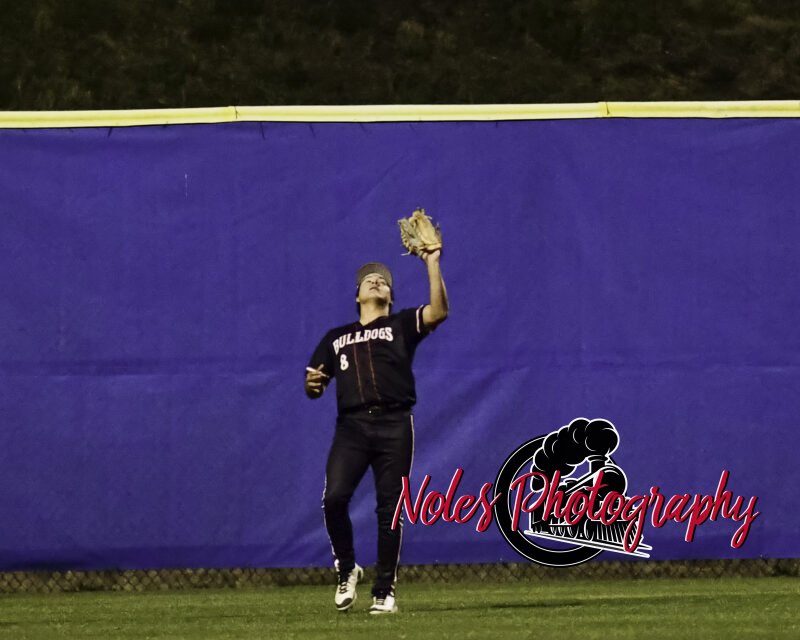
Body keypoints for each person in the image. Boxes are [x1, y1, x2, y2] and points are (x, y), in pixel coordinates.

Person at [305, 249, 448, 614]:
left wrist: (432, 263)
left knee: (390, 509)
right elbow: (313, 382)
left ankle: (384, 591)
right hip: (352, 426)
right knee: (335, 497)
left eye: (383, 279)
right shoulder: (336, 337)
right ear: (357, 296)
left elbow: (438, 312)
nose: (376, 280)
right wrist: (314, 384)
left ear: (390, 296)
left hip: (395, 424)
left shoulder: (400, 326)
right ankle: (347, 566)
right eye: (368, 279)